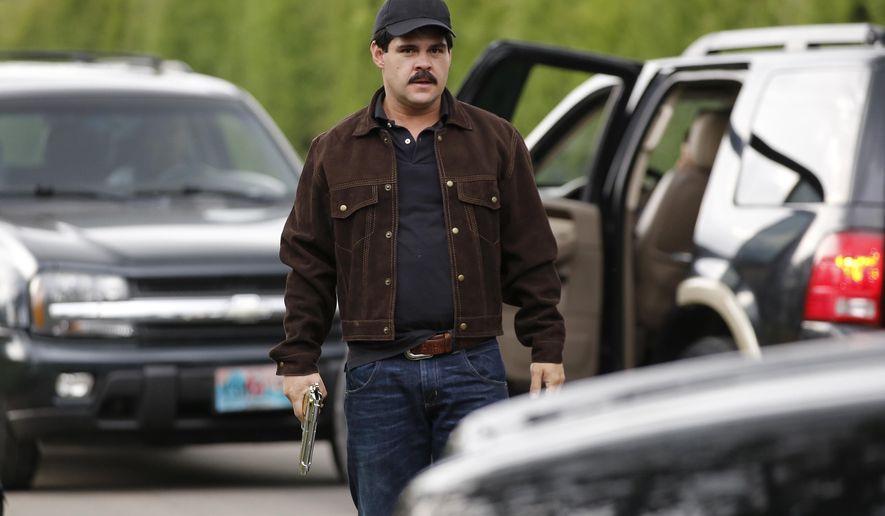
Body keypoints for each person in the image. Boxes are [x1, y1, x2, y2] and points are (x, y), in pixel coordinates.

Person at [270, 0, 565, 513]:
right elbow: (310, 266)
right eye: (408, 50)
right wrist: (298, 360)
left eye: (436, 49)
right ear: (379, 54)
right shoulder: (334, 151)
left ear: (450, 57)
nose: (423, 62)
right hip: (377, 375)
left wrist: (547, 347)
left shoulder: (496, 142)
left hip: (472, 370)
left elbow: (532, 254)